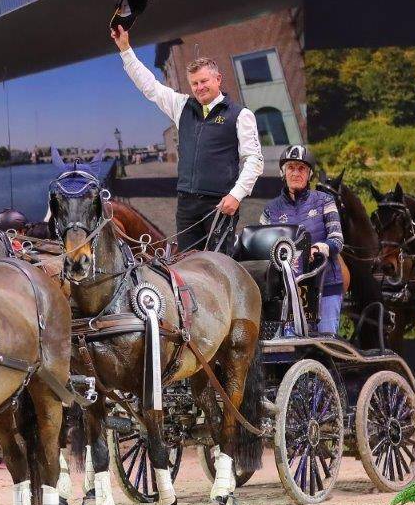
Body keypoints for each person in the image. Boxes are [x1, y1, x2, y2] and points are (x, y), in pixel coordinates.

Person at [112, 25, 264, 252]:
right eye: (194, 83)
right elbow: (150, 86)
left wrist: (236, 195)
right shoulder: (182, 106)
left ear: (218, 79)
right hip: (186, 204)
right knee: (186, 263)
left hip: (220, 205)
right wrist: (125, 49)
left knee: (217, 265)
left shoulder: (240, 115)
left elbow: (254, 160)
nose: (199, 87)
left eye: (204, 81)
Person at [260, 145, 344, 336]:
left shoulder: (325, 201)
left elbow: (337, 240)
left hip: (326, 285)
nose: (296, 173)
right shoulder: (270, 210)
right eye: (291, 167)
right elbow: (264, 249)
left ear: (310, 174)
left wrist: (317, 249)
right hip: (286, 291)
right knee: (290, 344)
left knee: (325, 342)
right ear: (283, 172)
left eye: (302, 168)